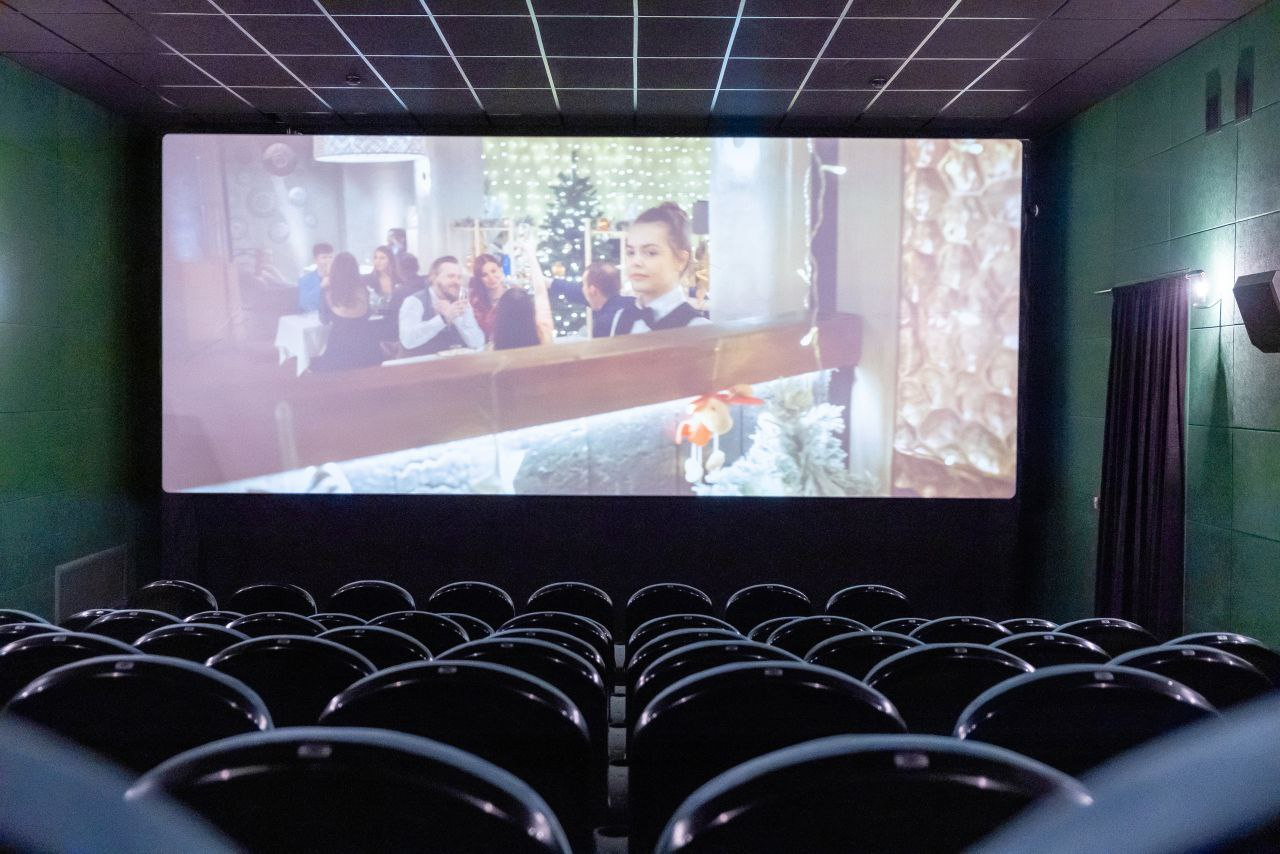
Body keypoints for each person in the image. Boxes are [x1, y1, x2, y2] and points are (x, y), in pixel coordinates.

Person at [611, 202, 712, 336]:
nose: (636, 262)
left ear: (681, 260)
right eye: (631, 252)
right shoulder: (621, 317)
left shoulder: (699, 329)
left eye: (651, 253)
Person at [311, 252, 387, 372]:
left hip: (340, 348)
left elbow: (324, 320)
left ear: (334, 269)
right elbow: (369, 312)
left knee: (315, 364)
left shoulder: (328, 290)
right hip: (367, 346)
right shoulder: (363, 289)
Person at [398, 255, 484, 356]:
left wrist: (456, 318)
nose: (456, 281)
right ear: (433, 278)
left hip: (456, 364)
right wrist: (443, 319)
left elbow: (477, 343)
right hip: (422, 364)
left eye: (459, 277)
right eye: (450, 276)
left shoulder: (461, 302)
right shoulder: (414, 301)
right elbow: (408, 341)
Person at [581, 261, 633, 339]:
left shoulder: (603, 325)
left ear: (592, 290)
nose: (582, 289)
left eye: (584, 285)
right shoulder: (637, 303)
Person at [467, 253, 507, 342]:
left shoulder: (513, 296)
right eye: (484, 275)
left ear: (500, 270)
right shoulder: (475, 302)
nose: (491, 278)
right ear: (479, 279)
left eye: (493, 271)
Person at [364, 245, 402, 315]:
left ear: (391, 260)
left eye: (382, 258)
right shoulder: (367, 280)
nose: (377, 261)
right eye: (375, 258)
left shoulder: (400, 280)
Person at [297, 242, 334, 313]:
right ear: (315, 260)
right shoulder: (305, 280)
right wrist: (321, 286)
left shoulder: (340, 278)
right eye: (324, 257)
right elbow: (304, 305)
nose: (329, 261)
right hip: (313, 316)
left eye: (331, 257)